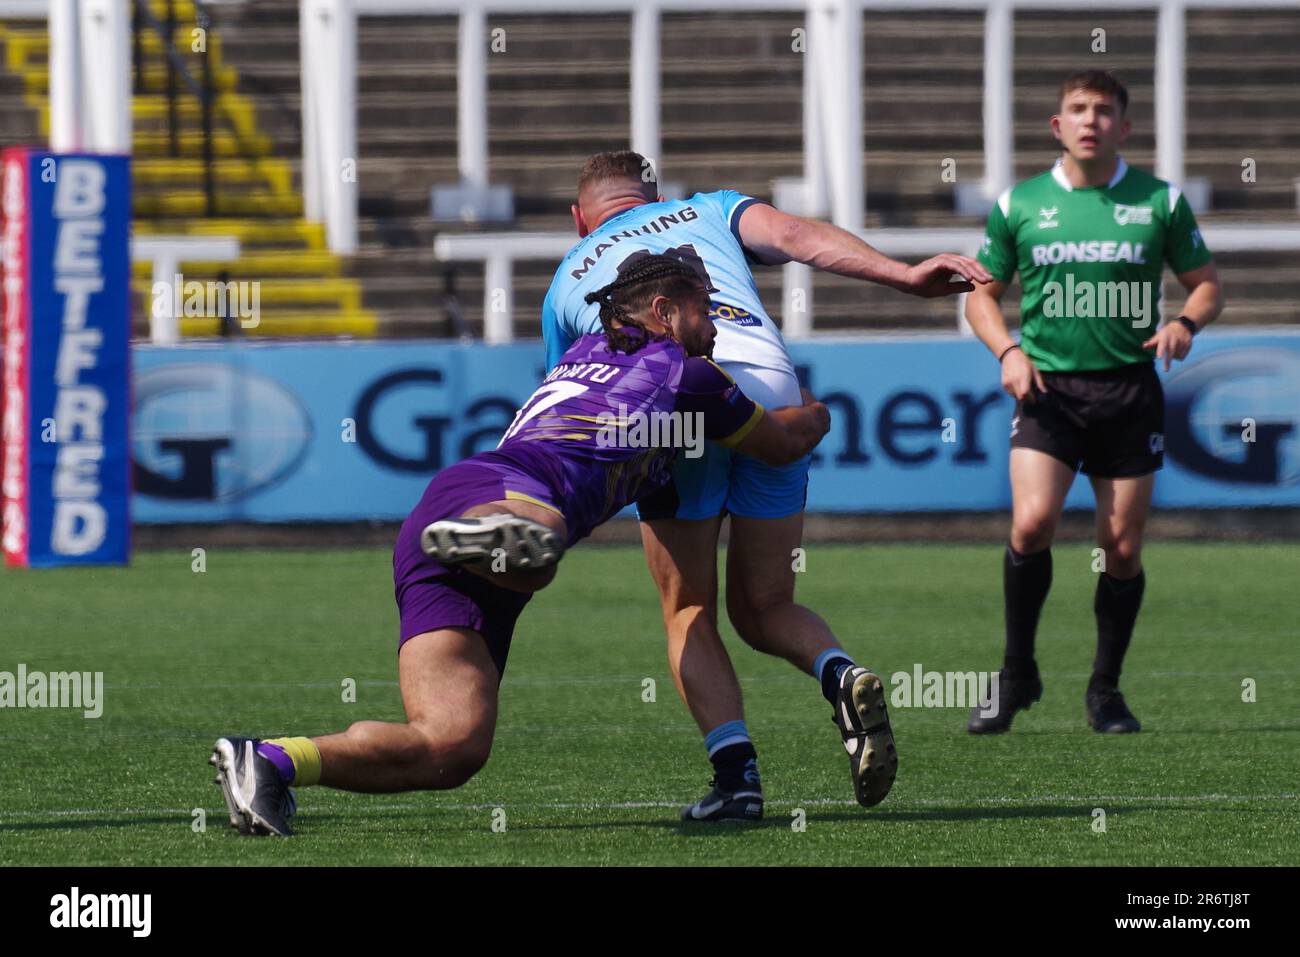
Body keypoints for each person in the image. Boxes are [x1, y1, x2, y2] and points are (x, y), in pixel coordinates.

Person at [209, 254, 832, 835]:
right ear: (664, 311)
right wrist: (814, 409)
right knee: (544, 539)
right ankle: (504, 541)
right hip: (508, 490)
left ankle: (269, 761)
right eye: (705, 308)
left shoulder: (589, 349)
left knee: (452, 748)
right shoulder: (689, 375)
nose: (716, 325)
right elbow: (783, 441)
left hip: (442, 517)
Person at [542, 150, 990, 819]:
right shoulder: (709, 208)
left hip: (673, 404)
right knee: (767, 605)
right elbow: (796, 237)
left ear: (580, 219)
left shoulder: (564, 282)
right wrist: (905, 276)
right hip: (770, 384)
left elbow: (573, 398)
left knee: (690, 607)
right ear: (657, 195)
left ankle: (738, 781)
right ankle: (841, 671)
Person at [964, 70, 1223, 734]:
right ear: (1057, 125)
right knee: (1031, 524)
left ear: (1124, 127)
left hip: (1130, 389)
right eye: (1077, 109)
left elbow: (1205, 284)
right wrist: (1008, 352)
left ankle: (1106, 690)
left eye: (1104, 111)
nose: (1090, 120)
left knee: (1121, 547)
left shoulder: (1159, 202)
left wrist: (1184, 324)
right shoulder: (1019, 203)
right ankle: (1017, 673)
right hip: (1049, 388)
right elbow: (981, 294)